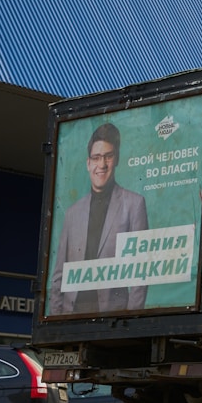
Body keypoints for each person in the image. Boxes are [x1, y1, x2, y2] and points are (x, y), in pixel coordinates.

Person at [49, 122, 148, 315]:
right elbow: (59, 275)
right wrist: (57, 319)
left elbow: (140, 272)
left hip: (114, 319)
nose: (102, 165)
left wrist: (131, 321)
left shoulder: (134, 204)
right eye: (96, 157)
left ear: (117, 159)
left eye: (108, 156)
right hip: (71, 316)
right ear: (88, 163)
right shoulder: (72, 213)